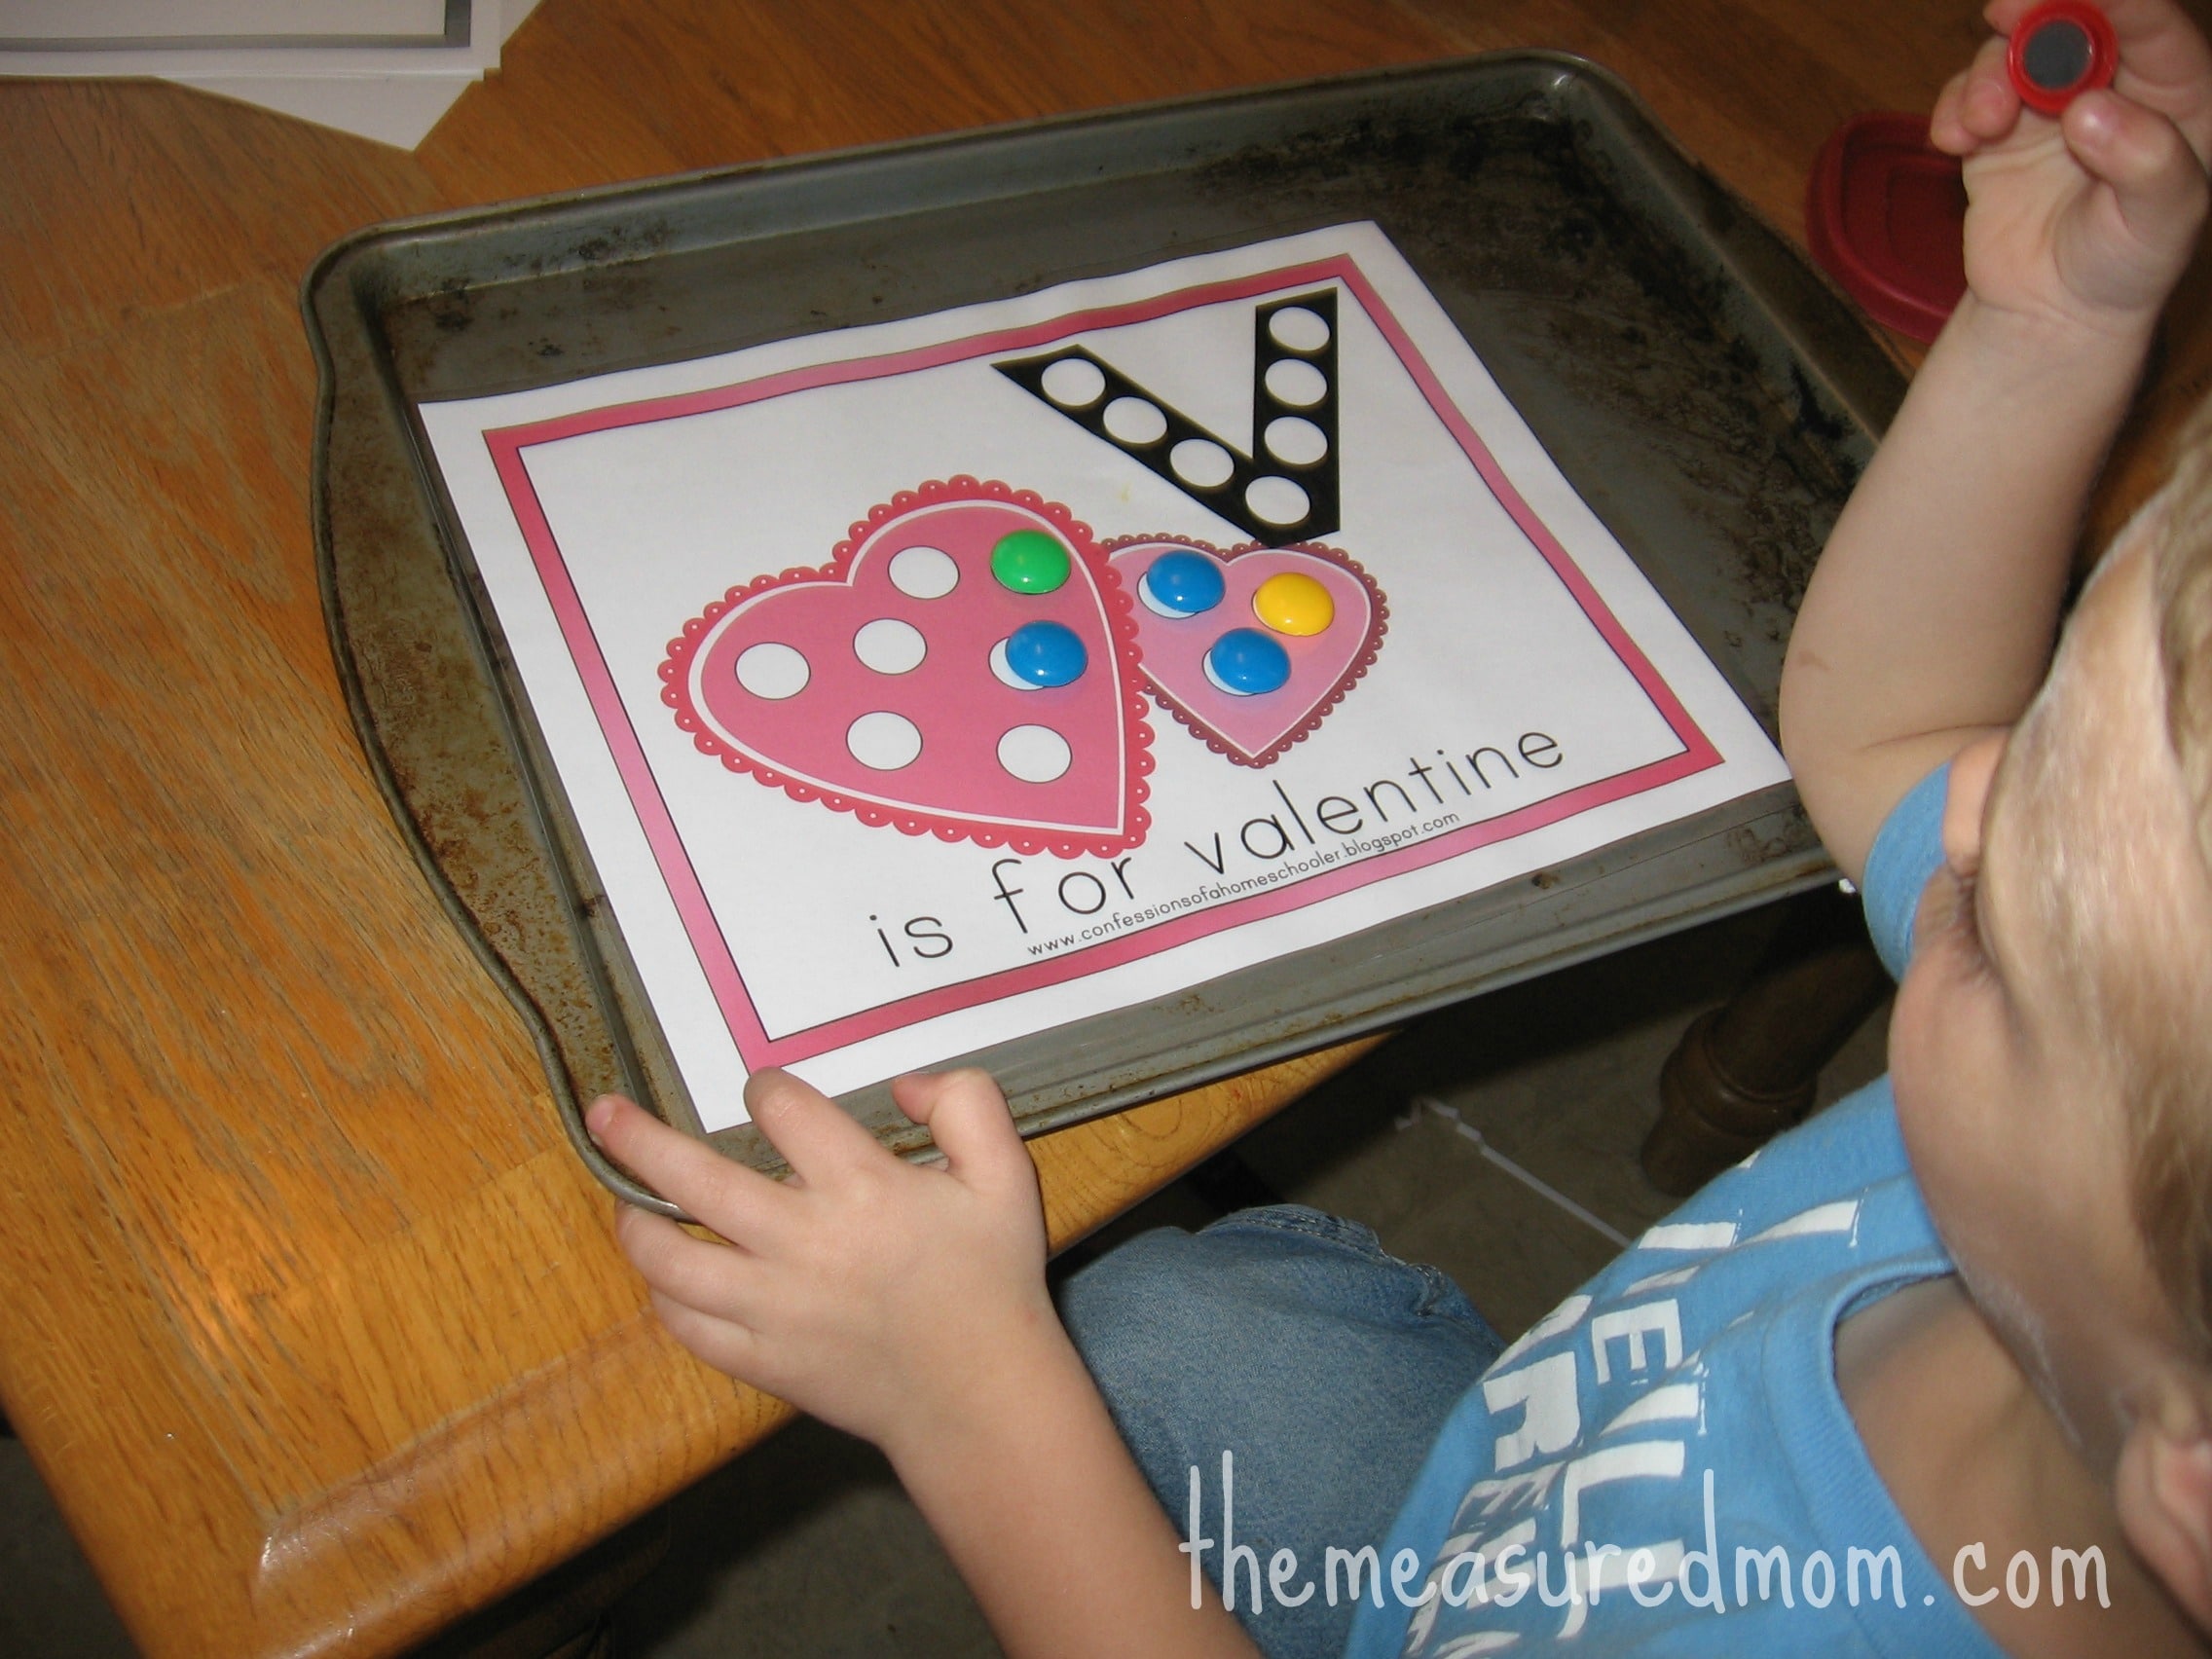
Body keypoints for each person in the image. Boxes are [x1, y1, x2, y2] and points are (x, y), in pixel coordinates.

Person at [582, 0, 2212, 1651]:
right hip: (1512, 1492)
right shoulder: (2127, 1166)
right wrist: (2050, 332)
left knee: (1053, 1349)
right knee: (1156, 1315)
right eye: (2059, 743)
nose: (1975, 797)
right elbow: (1893, 734)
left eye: (2000, 926)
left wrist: (965, 1406)